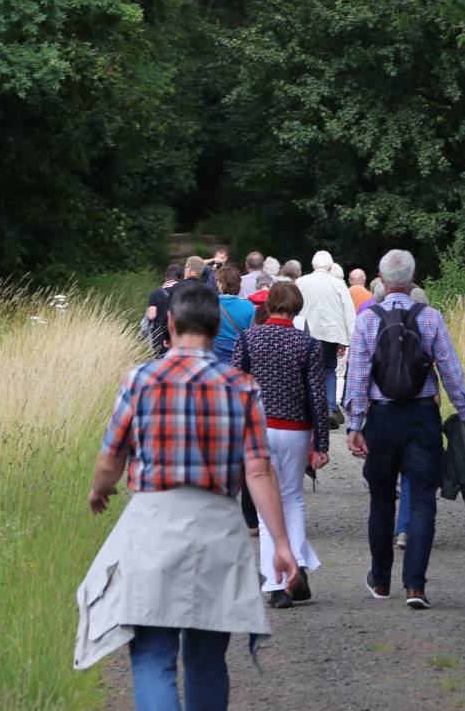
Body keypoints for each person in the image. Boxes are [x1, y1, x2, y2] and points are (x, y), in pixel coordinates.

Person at [76, 282, 298, 708]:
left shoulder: (140, 379)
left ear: (171, 324)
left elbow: (111, 457)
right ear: (216, 330)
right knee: (207, 661)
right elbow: (258, 470)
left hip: (153, 529)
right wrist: (282, 544)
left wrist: (98, 491)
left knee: (153, 657)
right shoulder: (241, 386)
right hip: (217, 532)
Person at [345, 248, 465, 610]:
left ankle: (381, 581)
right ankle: (415, 586)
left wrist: (355, 425)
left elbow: (357, 377)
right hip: (421, 417)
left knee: (382, 499)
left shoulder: (368, 319)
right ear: (413, 279)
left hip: (383, 419)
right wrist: (464, 415)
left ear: (382, 282)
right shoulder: (431, 317)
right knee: (421, 502)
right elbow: (450, 370)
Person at [232, 281, 330, 609]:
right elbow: (317, 396)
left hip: (258, 429)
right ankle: (296, 570)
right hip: (296, 430)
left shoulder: (247, 340)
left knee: (265, 508)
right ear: (297, 307)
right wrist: (322, 443)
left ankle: (276, 583)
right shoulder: (308, 345)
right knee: (292, 499)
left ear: (268, 304)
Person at [296, 250, 356, 428]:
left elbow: (294, 306)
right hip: (331, 334)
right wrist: (347, 340)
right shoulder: (338, 284)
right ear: (330, 267)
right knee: (329, 369)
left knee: (306, 370)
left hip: (306, 333)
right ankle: (329, 407)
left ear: (313, 265)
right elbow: (349, 312)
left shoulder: (301, 282)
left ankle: (306, 407)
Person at [214, 266, 257, 360]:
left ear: (221, 284)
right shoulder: (249, 306)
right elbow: (252, 334)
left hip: (217, 355)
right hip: (239, 355)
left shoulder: (211, 304)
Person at [143, 263, 183, 357]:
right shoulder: (182, 292)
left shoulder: (156, 293)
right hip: (177, 335)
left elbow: (151, 315)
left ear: (166, 277)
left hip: (159, 336)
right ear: (180, 278)